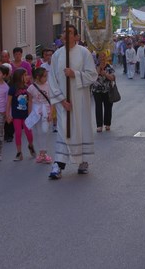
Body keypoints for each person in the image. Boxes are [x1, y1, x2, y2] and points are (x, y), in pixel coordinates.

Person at [48, 24, 98, 179]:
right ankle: (58, 164)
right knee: (63, 130)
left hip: (80, 100)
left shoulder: (84, 53)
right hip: (64, 101)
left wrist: (75, 74)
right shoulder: (57, 55)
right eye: (64, 32)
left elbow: (92, 75)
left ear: (76, 37)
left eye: (69, 33)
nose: (65, 35)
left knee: (80, 128)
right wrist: (61, 100)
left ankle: (83, 161)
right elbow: (52, 79)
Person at [7, 68, 35, 161]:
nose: (27, 76)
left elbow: (30, 102)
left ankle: (30, 145)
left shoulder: (28, 88)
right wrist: (8, 114)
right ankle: (19, 153)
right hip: (16, 115)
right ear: (20, 77)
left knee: (28, 133)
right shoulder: (12, 88)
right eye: (25, 75)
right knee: (18, 133)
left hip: (26, 115)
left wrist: (30, 114)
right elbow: (8, 103)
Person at [27, 67, 53, 164]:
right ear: (38, 77)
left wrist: (51, 113)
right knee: (37, 132)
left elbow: (51, 101)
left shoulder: (48, 86)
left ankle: (44, 152)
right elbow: (29, 101)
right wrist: (30, 115)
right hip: (36, 111)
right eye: (44, 76)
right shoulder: (31, 88)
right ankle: (41, 153)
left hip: (46, 110)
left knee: (45, 132)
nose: (46, 78)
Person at [92, 53, 116, 133]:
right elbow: (92, 78)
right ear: (98, 58)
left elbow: (113, 78)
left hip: (107, 90)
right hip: (97, 90)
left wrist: (105, 74)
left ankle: (107, 124)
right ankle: (99, 125)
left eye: (103, 56)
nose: (102, 58)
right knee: (98, 107)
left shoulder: (109, 67)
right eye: (100, 57)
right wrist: (98, 71)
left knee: (108, 107)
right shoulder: (94, 67)